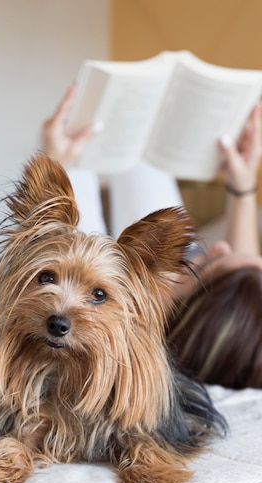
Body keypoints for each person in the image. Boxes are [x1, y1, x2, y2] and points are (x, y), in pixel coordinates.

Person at [42, 86, 262, 390]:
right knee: (143, 152)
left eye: (219, 260)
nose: (222, 245)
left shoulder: (136, 330)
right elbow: (249, 289)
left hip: (145, 279)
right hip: (173, 274)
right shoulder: (239, 328)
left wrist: (57, 164)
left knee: (75, 163)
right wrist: (243, 182)